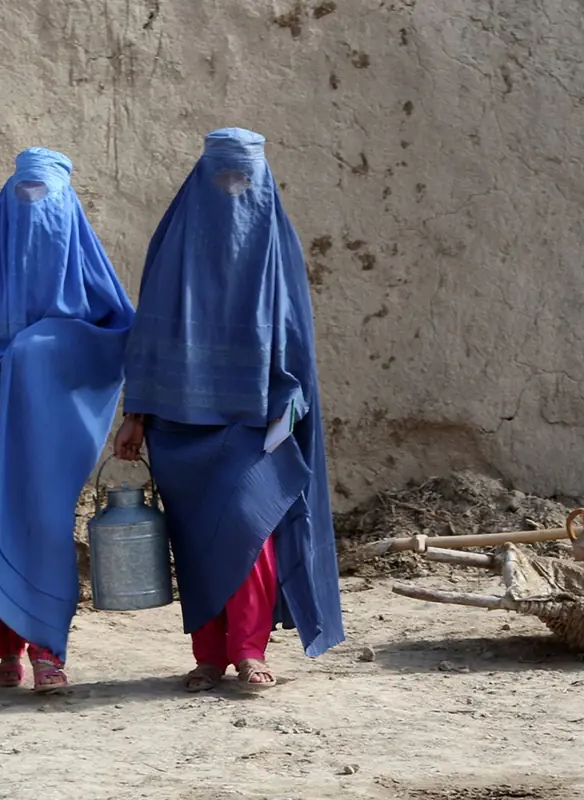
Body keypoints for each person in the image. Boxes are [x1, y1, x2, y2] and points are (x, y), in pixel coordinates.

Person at [113, 127, 344, 692]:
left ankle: (247, 648)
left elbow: (294, 335)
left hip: (255, 420)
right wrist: (136, 414)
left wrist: (290, 401)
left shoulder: (277, 246)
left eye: (245, 178)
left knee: (249, 527)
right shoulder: (174, 245)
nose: (234, 189)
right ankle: (209, 655)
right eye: (224, 176)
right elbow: (151, 335)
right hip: (179, 424)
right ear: (201, 178)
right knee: (197, 543)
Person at [0, 147, 135, 692]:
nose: (33, 207)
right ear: (4, 205)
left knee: (44, 533)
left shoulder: (89, 278)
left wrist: (39, 347)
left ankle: (49, 652)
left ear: (67, 208)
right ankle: (8, 651)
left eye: (45, 197)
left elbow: (117, 342)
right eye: (23, 194)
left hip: (53, 439)